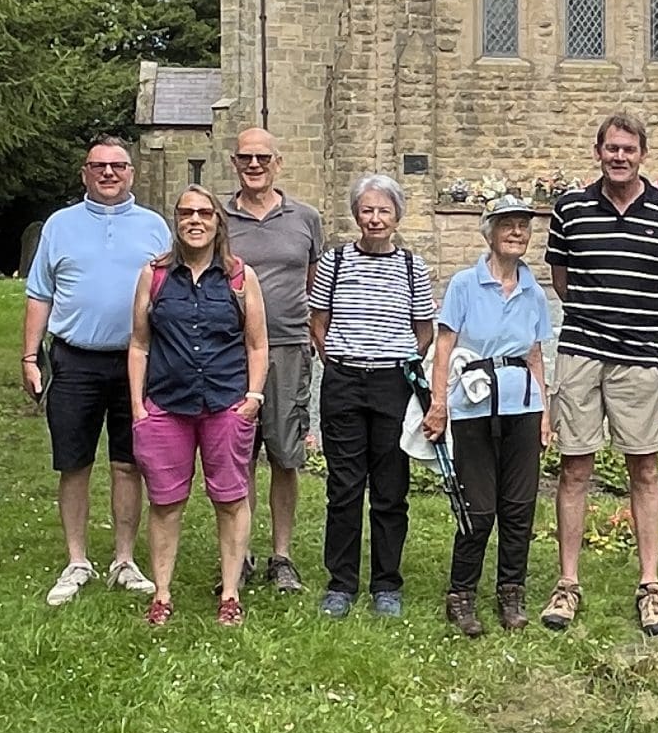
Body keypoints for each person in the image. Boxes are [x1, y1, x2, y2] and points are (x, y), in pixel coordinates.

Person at [546, 111, 658, 637]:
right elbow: (561, 278)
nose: (619, 156)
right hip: (581, 352)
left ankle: (651, 585)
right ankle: (567, 583)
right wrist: (595, 318)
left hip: (640, 355)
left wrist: (640, 324)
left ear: (642, 154)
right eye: (611, 148)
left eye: (629, 149)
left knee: (645, 470)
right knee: (574, 469)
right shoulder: (570, 209)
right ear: (598, 152)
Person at [22, 136, 172, 607]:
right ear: (84, 173)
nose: (109, 173)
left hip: (137, 362)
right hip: (74, 359)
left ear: (132, 173)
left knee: (129, 463)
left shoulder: (154, 227)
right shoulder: (60, 225)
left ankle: (124, 560)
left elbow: (170, 291)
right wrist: (29, 357)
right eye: (98, 166)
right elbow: (40, 293)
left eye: (118, 166)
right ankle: (77, 560)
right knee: (74, 463)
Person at [127, 187, 269, 627]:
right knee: (166, 502)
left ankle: (230, 593)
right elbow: (139, 344)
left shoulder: (240, 277)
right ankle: (162, 594)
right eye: (186, 213)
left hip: (226, 403)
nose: (195, 220)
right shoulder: (154, 276)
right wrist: (138, 407)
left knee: (230, 499)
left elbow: (257, 345)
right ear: (176, 220)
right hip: (166, 405)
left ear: (217, 222)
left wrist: (253, 397)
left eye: (204, 213)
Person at [423, 194, 553, 636]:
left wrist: (545, 411)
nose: (516, 232)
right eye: (507, 224)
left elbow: (535, 354)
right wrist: (438, 404)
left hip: (522, 406)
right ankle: (461, 593)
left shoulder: (534, 291)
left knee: (519, 506)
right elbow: (444, 347)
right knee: (477, 508)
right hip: (473, 407)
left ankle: (511, 591)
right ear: (490, 232)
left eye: (523, 225)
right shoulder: (464, 284)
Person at [308, 174, 436, 618]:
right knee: (344, 487)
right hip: (344, 382)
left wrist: (398, 360)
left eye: (384, 210)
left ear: (397, 215)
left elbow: (425, 330)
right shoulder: (335, 261)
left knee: (390, 489)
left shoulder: (412, 267)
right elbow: (318, 321)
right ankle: (341, 584)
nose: (375, 218)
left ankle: (386, 584)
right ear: (356, 215)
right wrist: (338, 360)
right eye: (367, 210)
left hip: (392, 384)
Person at [223, 128, 324, 595]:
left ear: (278, 162)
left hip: (287, 347)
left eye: (263, 157)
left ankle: (281, 557)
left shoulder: (305, 218)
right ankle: (239, 554)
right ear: (234, 162)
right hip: (230, 350)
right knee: (238, 454)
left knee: (285, 455)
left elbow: (313, 281)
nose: (254, 165)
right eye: (246, 157)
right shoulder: (220, 217)